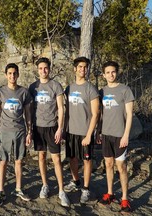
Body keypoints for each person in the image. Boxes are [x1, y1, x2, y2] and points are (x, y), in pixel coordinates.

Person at [29, 57, 70, 207]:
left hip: (53, 127)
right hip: (38, 127)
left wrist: (60, 128)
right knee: (41, 157)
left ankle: (61, 190)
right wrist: (29, 130)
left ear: (49, 69)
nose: (43, 71)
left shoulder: (56, 85)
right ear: (37, 70)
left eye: (45, 68)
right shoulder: (33, 87)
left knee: (57, 160)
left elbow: (61, 108)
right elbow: (30, 109)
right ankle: (45, 185)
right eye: (40, 68)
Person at [96, 61, 134, 213]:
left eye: (113, 72)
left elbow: (130, 115)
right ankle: (110, 193)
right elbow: (100, 114)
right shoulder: (101, 92)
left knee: (122, 167)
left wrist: (126, 135)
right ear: (103, 74)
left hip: (120, 135)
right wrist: (98, 131)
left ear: (117, 72)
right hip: (106, 134)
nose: (111, 74)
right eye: (108, 72)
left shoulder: (125, 90)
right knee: (108, 165)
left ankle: (125, 198)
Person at [0, 63, 32, 207]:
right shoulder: (0, 92)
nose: (12, 76)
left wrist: (29, 132)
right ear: (5, 75)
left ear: (18, 74)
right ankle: (1, 191)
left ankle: (18, 188)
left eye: (15, 73)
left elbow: (28, 113)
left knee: (19, 161)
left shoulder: (24, 92)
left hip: (20, 131)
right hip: (4, 131)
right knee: (3, 161)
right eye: (9, 73)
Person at [64, 56, 99, 204]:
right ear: (75, 69)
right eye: (80, 67)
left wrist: (89, 134)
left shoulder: (91, 88)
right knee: (72, 158)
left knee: (86, 160)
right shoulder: (69, 88)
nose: (82, 70)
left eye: (85, 67)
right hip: (71, 131)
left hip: (85, 132)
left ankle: (85, 188)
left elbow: (96, 113)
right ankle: (76, 181)